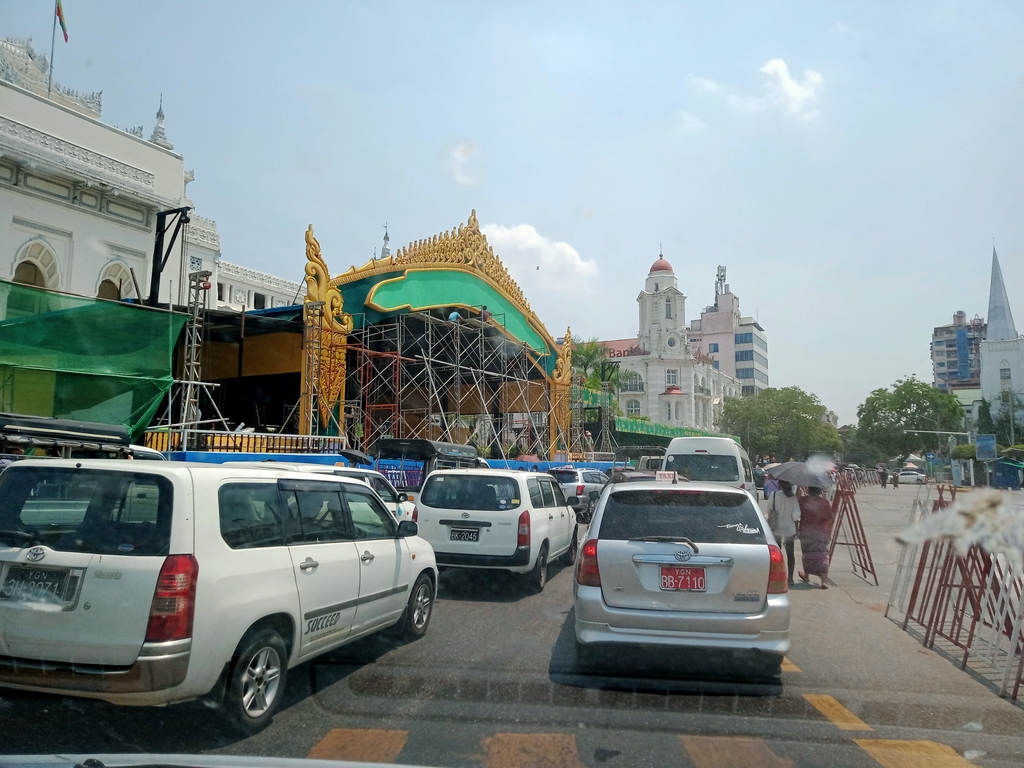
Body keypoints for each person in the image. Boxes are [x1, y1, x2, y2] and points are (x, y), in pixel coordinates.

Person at [797, 486, 836, 590]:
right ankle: (824, 581)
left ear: (809, 490)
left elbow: (797, 512)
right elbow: (829, 517)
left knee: (807, 555)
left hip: (806, 532)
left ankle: (806, 575)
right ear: (820, 491)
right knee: (822, 555)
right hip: (821, 533)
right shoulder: (825, 503)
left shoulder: (803, 500)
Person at [767, 480, 800, 585]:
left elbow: (769, 510)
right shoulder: (793, 497)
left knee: (776, 554)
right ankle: (790, 578)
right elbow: (796, 515)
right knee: (790, 554)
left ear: (779, 485)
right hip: (789, 528)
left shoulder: (774, 495)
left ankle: (776, 576)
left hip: (776, 528)